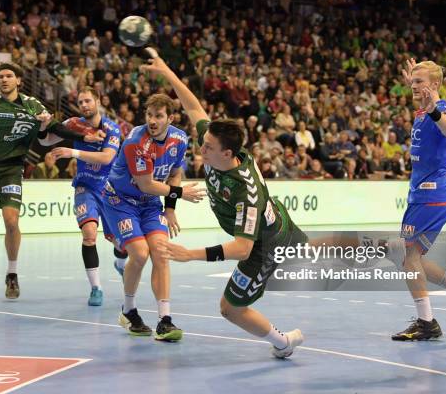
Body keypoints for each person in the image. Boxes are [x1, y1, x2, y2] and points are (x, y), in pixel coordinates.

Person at [142, 48, 305, 358]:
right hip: (275, 223)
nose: (200, 149)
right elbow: (194, 108)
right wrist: (166, 72)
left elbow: (243, 249)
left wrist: (190, 255)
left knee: (230, 308)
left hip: (265, 244)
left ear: (227, 154)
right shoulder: (220, 146)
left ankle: (284, 343)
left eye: (208, 147)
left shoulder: (244, 190)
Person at [0, 62, 102, 301]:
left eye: (9, 76)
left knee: (11, 221)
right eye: (0, 76)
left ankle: (12, 275)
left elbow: (54, 128)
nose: (4, 80)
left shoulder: (32, 106)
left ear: (19, 80)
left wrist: (83, 136)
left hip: (11, 168)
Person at [388, 59, 446, 341]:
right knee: (410, 257)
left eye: (420, 82)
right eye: (413, 82)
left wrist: (432, 110)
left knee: (409, 258)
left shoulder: (440, 110)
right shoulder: (423, 108)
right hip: (426, 194)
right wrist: (417, 90)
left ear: (436, 85)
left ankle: (426, 323)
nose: (415, 87)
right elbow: (425, 103)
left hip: (431, 194)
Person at [103, 93, 205, 342]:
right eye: (149, 115)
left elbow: (175, 172)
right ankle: (128, 311)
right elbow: (146, 184)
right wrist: (181, 194)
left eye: (159, 116)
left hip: (149, 204)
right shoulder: (136, 142)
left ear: (170, 118)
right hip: (121, 201)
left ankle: (165, 320)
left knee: (161, 251)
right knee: (139, 253)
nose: (153, 120)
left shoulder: (179, 138)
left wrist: (170, 209)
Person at [39, 86, 127, 306]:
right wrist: (42, 125)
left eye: (88, 101)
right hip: (85, 186)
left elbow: (106, 158)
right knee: (89, 235)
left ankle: (121, 264)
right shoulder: (73, 124)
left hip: (110, 189)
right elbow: (45, 141)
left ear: (98, 101)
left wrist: (73, 152)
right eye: (81, 103)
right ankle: (96, 288)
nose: (84, 105)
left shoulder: (112, 128)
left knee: (122, 244)